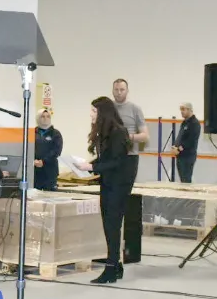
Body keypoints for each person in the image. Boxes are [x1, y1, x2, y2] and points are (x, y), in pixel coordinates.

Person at [76, 97, 134, 284]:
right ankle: (115, 264)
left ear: (103, 113)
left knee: (112, 225)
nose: (91, 114)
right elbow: (105, 159)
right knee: (109, 225)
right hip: (108, 183)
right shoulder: (105, 132)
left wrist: (92, 167)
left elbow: (117, 161)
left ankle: (111, 267)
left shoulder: (118, 132)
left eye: (94, 111)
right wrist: (88, 165)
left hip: (118, 185)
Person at [112, 78, 147, 184]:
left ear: (127, 91)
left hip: (129, 156)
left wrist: (127, 137)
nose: (119, 93)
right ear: (112, 91)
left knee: (126, 189)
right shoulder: (108, 108)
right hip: (111, 156)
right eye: (116, 90)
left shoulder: (135, 109)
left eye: (122, 90)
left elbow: (145, 136)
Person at [33, 109, 63, 191]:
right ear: (38, 118)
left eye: (48, 116)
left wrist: (43, 161)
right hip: (35, 170)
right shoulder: (32, 133)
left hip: (50, 170)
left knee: (50, 194)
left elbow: (57, 151)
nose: (45, 118)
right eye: (42, 116)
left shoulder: (55, 133)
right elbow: (28, 148)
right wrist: (33, 161)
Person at [172, 102, 201, 183]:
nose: (181, 112)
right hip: (180, 156)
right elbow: (180, 136)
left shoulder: (194, 123)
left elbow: (190, 141)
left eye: (183, 109)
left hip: (188, 156)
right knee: (182, 179)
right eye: (181, 109)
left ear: (189, 110)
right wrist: (175, 146)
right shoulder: (184, 122)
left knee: (186, 180)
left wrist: (178, 149)